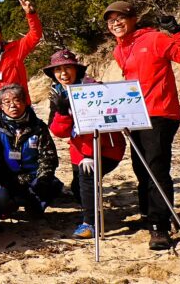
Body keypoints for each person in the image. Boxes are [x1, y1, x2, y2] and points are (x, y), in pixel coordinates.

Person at [104, 1, 180, 249]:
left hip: (160, 114)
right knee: (140, 167)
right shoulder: (119, 49)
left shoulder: (155, 39)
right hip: (136, 115)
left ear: (134, 18)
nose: (115, 23)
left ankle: (160, 227)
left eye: (120, 17)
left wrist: (178, 31)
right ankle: (148, 216)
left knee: (156, 169)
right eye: (110, 20)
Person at [45, 49, 126, 239]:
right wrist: (63, 111)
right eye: (58, 70)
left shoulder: (93, 89)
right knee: (77, 187)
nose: (63, 73)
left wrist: (89, 155)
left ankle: (90, 223)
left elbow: (96, 124)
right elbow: (58, 130)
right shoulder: (58, 93)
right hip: (79, 149)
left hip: (106, 147)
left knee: (87, 177)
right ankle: (91, 210)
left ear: (77, 69)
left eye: (68, 68)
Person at [0, 84, 61, 215]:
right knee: (1, 201)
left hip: (33, 176)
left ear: (25, 102)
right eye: (7, 102)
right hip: (6, 177)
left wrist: (42, 179)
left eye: (17, 100)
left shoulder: (38, 126)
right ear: (1, 106)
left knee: (51, 186)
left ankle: (34, 202)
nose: (12, 105)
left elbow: (48, 157)